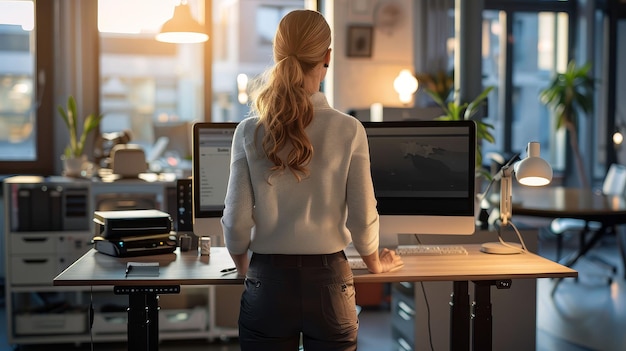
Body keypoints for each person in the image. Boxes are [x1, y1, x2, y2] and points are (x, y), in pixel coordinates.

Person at [220, 9, 404, 351]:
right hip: (330, 283)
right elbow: (364, 217)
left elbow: (235, 220)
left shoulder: (248, 131)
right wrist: (376, 264)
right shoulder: (349, 130)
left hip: (268, 282)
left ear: (277, 56)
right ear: (327, 57)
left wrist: (244, 269)